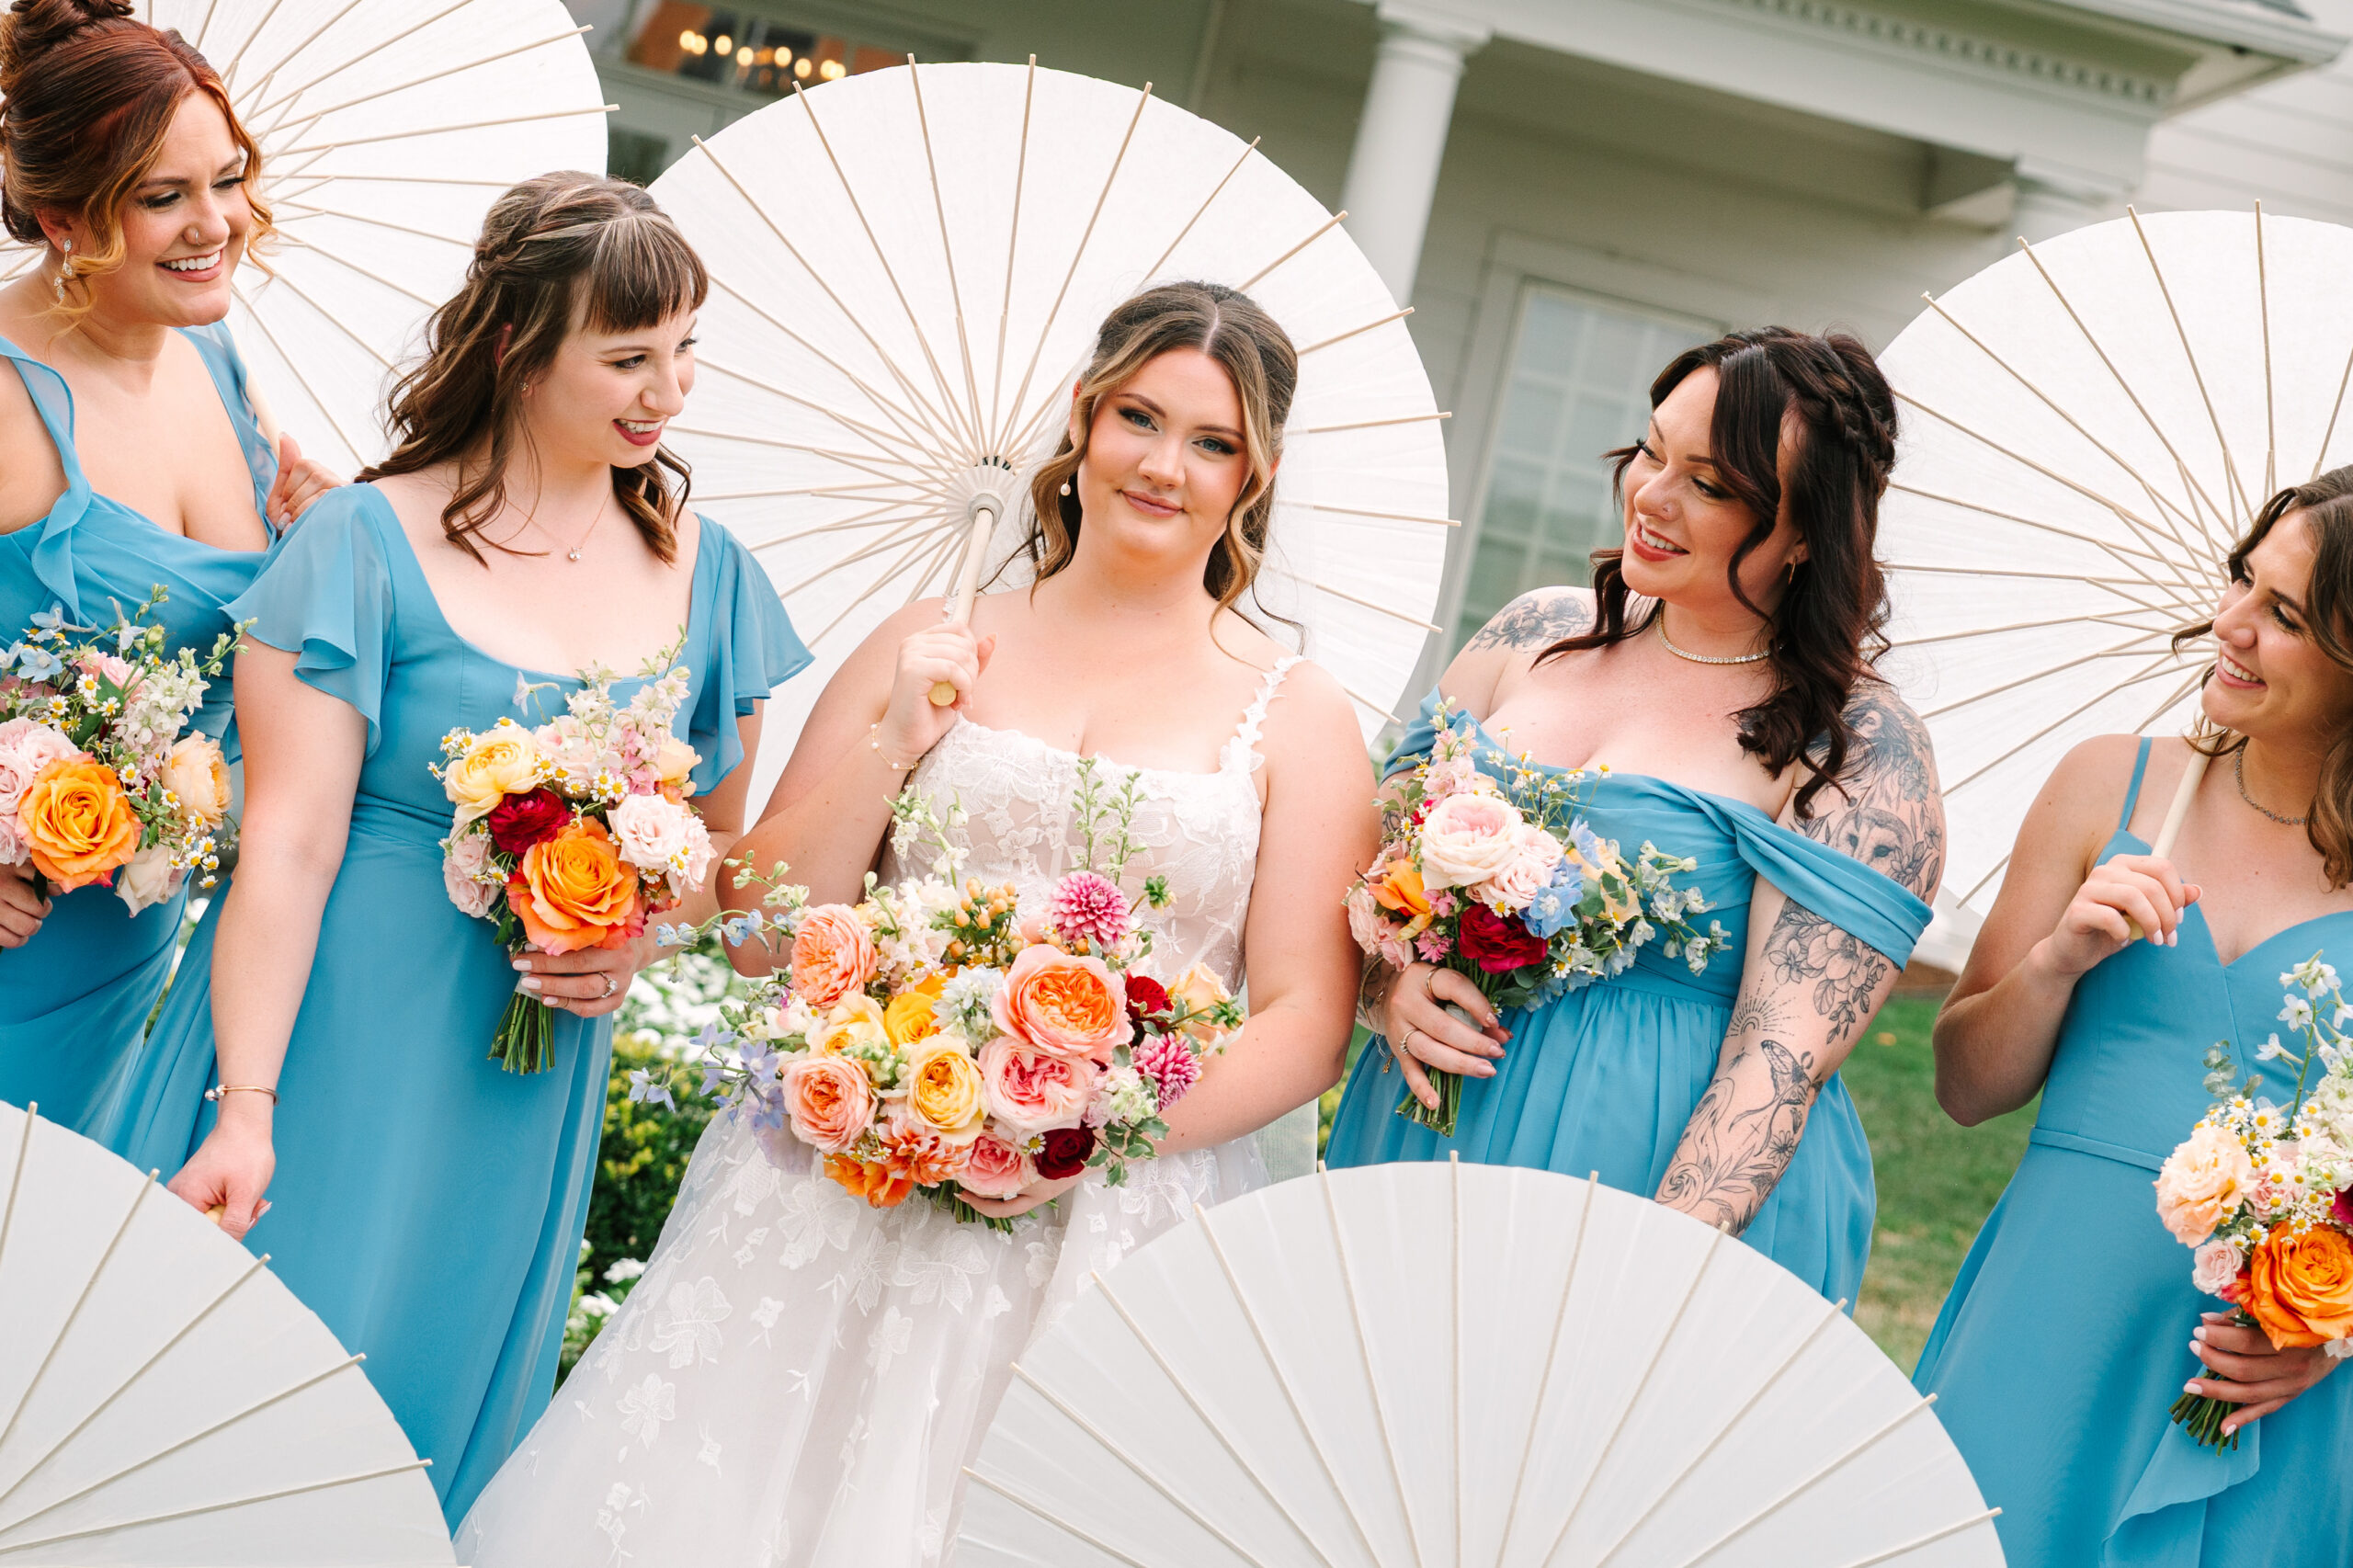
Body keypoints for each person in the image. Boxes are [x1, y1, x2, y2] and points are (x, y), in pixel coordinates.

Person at [456, 280, 1377, 1566]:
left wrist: (1069, 1121)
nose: (1165, 465)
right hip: (856, 1170)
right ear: (1082, 418)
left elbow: (1305, 1019)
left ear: (1254, 476)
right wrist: (896, 737)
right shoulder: (934, 638)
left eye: (1212, 442)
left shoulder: (1299, 715)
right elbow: (761, 929)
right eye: (1139, 419)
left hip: (1114, 1217)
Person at [96, 172, 809, 1524]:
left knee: (412, 1427)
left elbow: (718, 852)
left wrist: (633, 936)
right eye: (627, 356)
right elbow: (289, 850)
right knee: (233, 1394)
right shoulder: (364, 541)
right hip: (327, 1036)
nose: (669, 390)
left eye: (684, 349)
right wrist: (247, 1104)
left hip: (524, 1076)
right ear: (515, 345)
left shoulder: (711, 575)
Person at [1325, 328, 1943, 1307]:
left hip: (1644, 1187)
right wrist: (1386, 989)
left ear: (1805, 530)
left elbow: (1779, 1053)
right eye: (1653, 451)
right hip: (1424, 1133)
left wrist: (1648, 1280)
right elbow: (1365, 878)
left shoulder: (1854, 743)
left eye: (1710, 484)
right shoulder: (1533, 633)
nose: (1651, 497)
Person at [1916, 471, 2353, 1564]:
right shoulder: (2108, 785)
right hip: (2053, 1312)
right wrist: (2060, 957)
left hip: (2262, 1380)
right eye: (2241, 580)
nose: (2232, 623)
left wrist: (2333, 1330)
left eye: (2285, 616)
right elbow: (1965, 1087)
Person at [0, 0, 334, 1130]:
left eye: (228, 179)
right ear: (60, 215)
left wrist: (314, 538)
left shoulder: (216, 354)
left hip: (143, 953)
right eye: (164, 197)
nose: (217, 223)